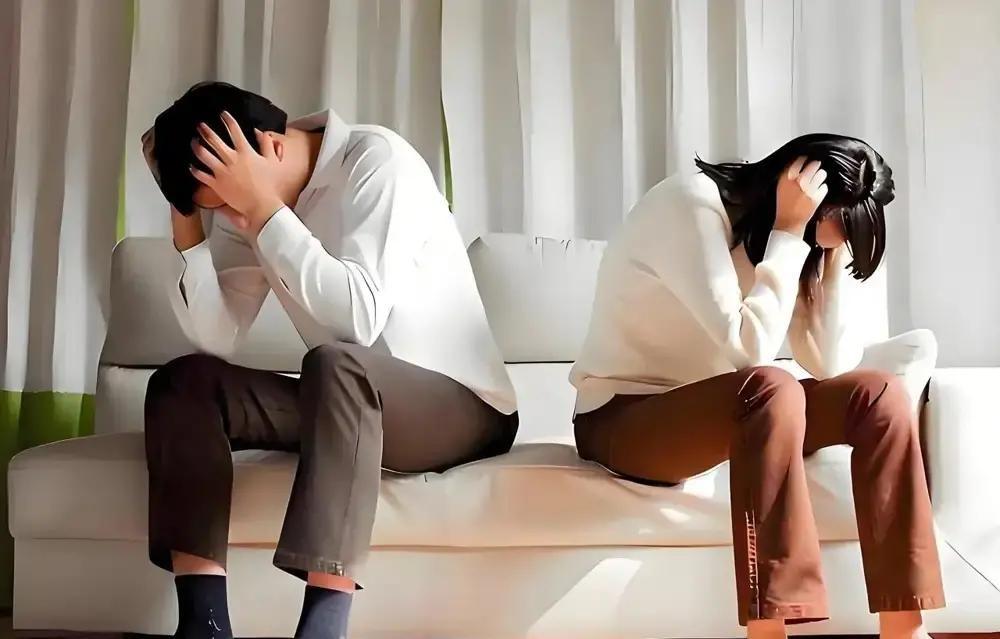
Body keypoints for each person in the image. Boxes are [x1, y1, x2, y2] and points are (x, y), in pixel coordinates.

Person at [140, 82, 518, 639]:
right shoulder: (249, 204)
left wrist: (264, 210)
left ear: (270, 148)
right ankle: (204, 624)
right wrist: (185, 215)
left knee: (335, 363)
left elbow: (358, 318)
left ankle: (323, 627)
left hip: (460, 408)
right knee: (185, 382)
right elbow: (215, 337)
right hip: (343, 403)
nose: (229, 217)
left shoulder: (376, 162)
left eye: (224, 202)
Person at [569, 134, 944, 639]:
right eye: (827, 227)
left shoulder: (799, 238)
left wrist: (827, 255)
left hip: (728, 414)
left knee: (878, 395)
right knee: (772, 387)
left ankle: (904, 629)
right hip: (624, 417)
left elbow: (828, 362)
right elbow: (749, 350)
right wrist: (791, 230)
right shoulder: (691, 205)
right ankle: (769, 630)